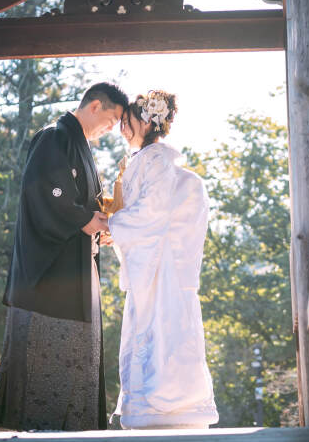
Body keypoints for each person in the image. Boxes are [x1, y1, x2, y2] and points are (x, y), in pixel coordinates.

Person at [0, 82, 128, 431]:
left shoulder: (80, 146)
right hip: (48, 279)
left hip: (76, 274)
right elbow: (45, 192)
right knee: (43, 369)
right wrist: (84, 219)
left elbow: (86, 208)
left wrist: (99, 225)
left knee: (77, 369)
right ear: (95, 106)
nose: (111, 129)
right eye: (111, 120)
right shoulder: (54, 137)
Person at [106, 90, 219, 429]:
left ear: (145, 122)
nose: (122, 129)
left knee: (159, 331)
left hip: (158, 266)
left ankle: (162, 410)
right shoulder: (153, 160)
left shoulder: (154, 160)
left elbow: (151, 212)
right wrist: (120, 227)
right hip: (161, 263)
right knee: (170, 332)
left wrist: (113, 225)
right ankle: (170, 409)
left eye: (126, 122)